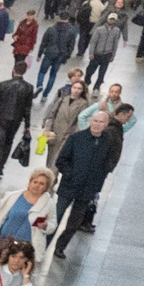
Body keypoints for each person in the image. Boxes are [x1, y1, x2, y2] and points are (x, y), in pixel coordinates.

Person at [50, 109, 114, 261]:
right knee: (56, 217)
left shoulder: (107, 142)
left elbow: (106, 165)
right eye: (95, 121)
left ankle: (60, 247)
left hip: (87, 190)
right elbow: (61, 160)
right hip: (69, 186)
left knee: (74, 222)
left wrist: (97, 185)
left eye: (101, 122)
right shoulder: (76, 138)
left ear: (106, 124)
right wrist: (71, 175)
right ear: (90, 121)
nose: (97, 125)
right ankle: (44, 245)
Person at [0, 66, 37, 179]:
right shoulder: (29, 87)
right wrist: (27, 125)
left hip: (2, 117)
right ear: (24, 71)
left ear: (14, 70)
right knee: (8, 142)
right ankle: (1, 166)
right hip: (16, 119)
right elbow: (27, 108)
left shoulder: (3, 84)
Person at [0, 167, 55, 256]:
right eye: (35, 182)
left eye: (42, 184)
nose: (37, 185)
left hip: (26, 249)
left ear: (46, 187)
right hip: (5, 243)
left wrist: (46, 226)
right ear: (30, 182)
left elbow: (53, 225)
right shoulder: (12, 196)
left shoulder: (49, 204)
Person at [35, 13, 79, 96]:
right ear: (68, 19)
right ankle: (45, 94)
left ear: (59, 18)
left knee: (42, 72)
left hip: (49, 53)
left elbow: (43, 43)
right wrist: (67, 57)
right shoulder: (72, 31)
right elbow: (71, 46)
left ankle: (39, 85)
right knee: (53, 75)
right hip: (60, 55)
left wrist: (39, 54)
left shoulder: (51, 28)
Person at [87, 13, 123, 89]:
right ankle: (87, 81)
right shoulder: (99, 29)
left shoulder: (117, 31)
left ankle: (97, 88)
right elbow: (93, 42)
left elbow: (115, 43)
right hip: (96, 54)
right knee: (90, 70)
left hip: (107, 55)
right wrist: (91, 53)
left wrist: (113, 55)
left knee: (102, 73)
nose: (111, 21)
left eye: (113, 20)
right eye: (110, 19)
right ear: (107, 19)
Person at [9, 10, 38, 81]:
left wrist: (31, 47)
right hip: (18, 45)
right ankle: (15, 77)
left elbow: (34, 37)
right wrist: (15, 36)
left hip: (26, 46)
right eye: (28, 15)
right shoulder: (22, 23)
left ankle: (16, 77)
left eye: (31, 15)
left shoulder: (35, 25)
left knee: (20, 62)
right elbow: (17, 32)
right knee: (16, 61)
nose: (29, 17)